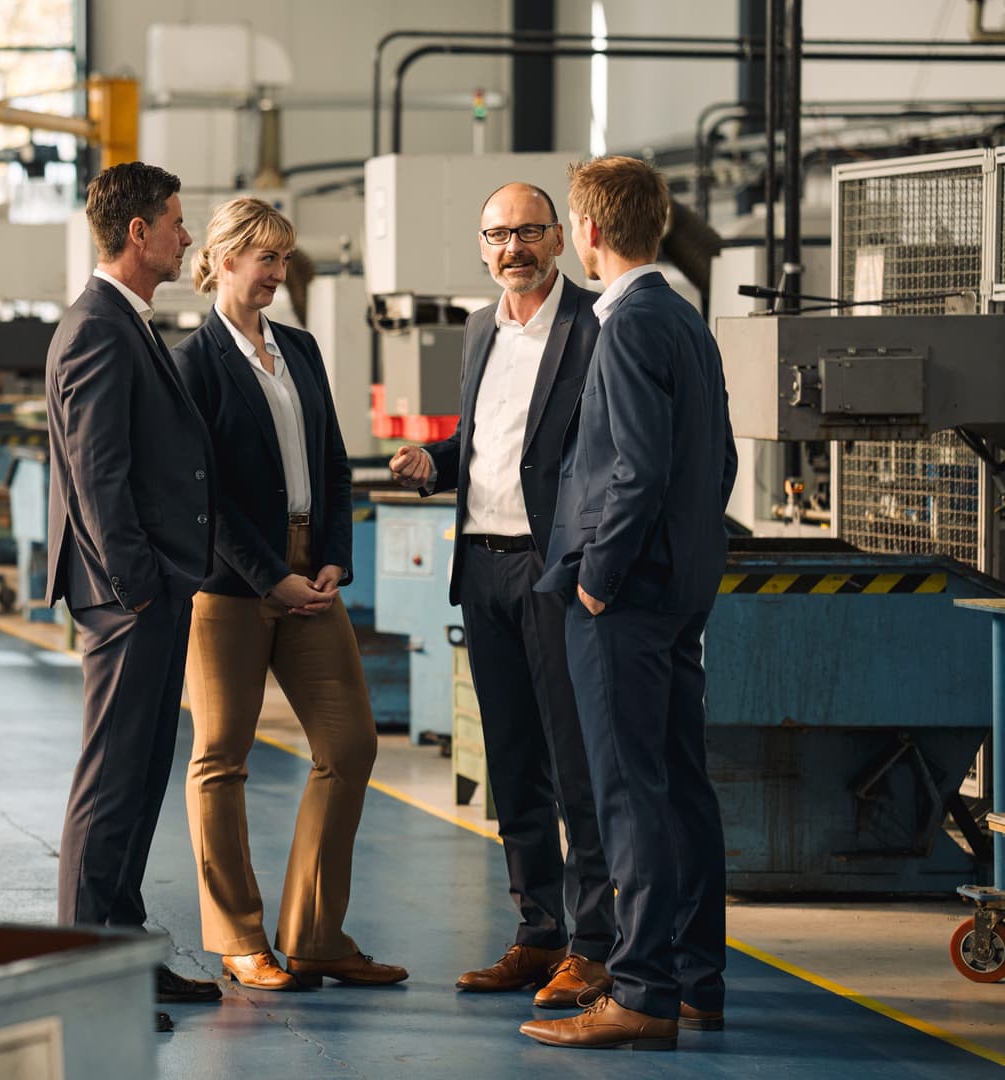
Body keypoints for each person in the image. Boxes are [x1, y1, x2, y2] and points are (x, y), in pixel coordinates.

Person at [519, 156, 737, 1052]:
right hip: (676, 590)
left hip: (626, 598)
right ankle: (695, 979)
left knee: (627, 794)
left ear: (591, 233)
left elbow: (635, 469)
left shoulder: (631, 323)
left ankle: (641, 990)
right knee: (679, 783)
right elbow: (717, 463)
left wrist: (598, 578)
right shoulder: (683, 318)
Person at [388, 183, 615, 1009]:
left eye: (526, 231)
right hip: (480, 569)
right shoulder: (481, 327)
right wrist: (434, 464)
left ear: (558, 238)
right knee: (513, 766)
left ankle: (594, 946)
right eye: (496, 234)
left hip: (553, 572)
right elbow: (488, 443)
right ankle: (537, 933)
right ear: (481, 247)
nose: (511, 247)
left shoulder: (594, 326)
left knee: (575, 765)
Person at [171, 197, 406, 993]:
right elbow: (202, 494)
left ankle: (312, 935)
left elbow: (333, 464)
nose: (277, 273)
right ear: (224, 259)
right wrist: (269, 573)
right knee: (220, 757)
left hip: (312, 569)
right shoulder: (192, 364)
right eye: (265, 258)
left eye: (282, 258)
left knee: (349, 746)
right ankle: (238, 936)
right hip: (231, 587)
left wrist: (334, 556)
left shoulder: (299, 349)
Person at [44, 161, 221, 1031]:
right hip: (129, 597)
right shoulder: (98, 328)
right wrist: (137, 585)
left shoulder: (129, 321)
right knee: (111, 782)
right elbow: (97, 472)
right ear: (139, 233)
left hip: (147, 591)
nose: (188, 238)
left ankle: (124, 955)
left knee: (144, 774)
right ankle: (85, 980)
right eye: (178, 224)